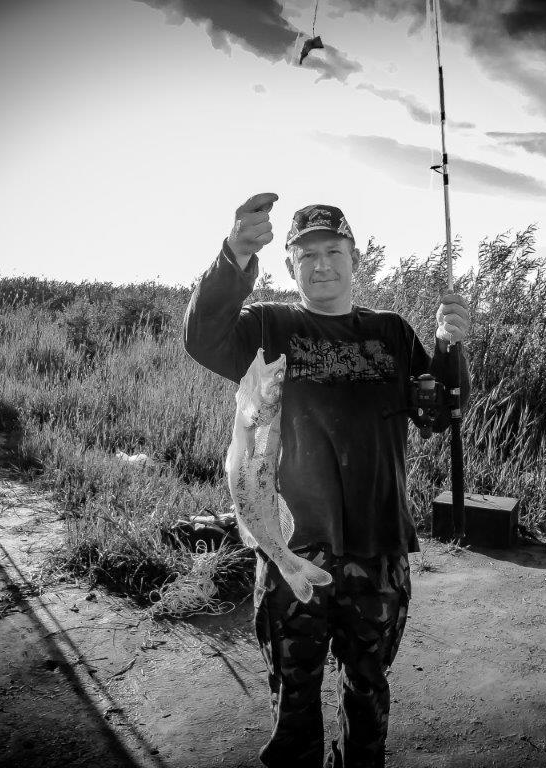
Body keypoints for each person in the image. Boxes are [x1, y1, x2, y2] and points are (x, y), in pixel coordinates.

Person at [183, 192, 471, 768]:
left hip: (379, 546)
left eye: (333, 251)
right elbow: (202, 338)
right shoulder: (268, 326)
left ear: (355, 258)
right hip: (293, 545)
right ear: (290, 265)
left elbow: (439, 412)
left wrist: (449, 346)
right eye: (307, 254)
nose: (321, 265)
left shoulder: (392, 332)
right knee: (293, 695)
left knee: (368, 689)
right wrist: (234, 254)